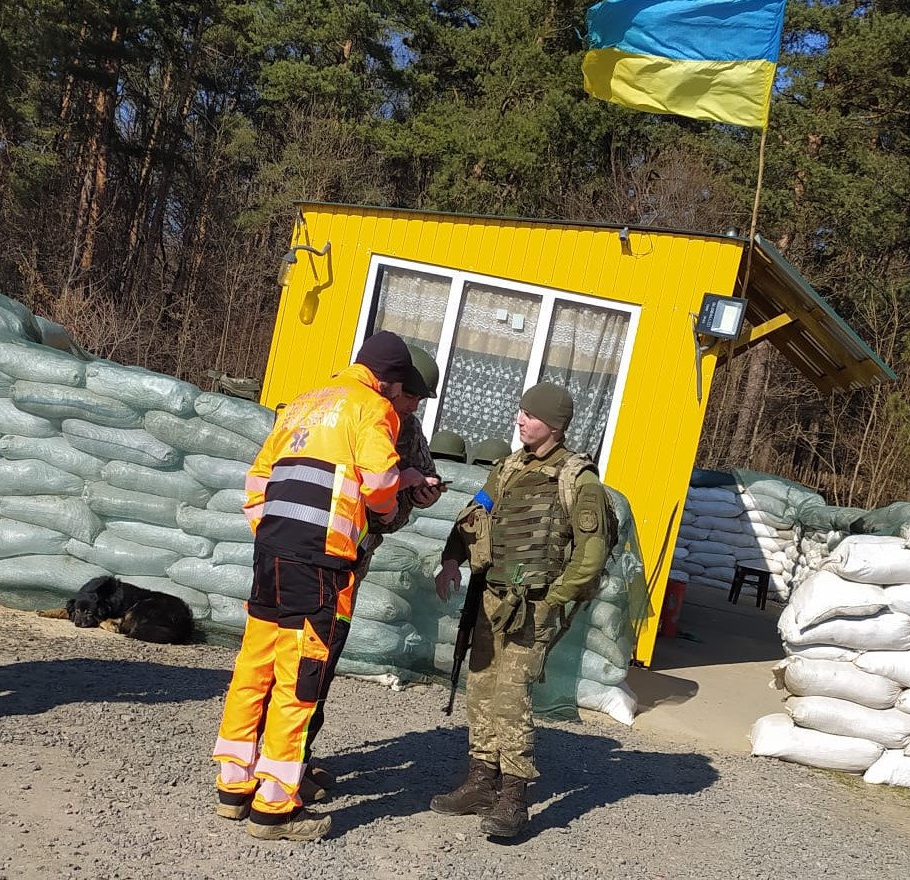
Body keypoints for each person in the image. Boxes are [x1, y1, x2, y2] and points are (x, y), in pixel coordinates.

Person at [211, 330, 432, 842]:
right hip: (321, 560)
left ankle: (234, 785)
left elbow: (256, 482)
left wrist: (274, 533)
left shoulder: (304, 403)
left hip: (272, 552)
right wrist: (386, 507)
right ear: (389, 380)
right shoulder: (373, 408)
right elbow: (379, 484)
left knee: (254, 666)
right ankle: (274, 808)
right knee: (301, 676)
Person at [429, 382, 610, 839]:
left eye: (530, 414)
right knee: (481, 689)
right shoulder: (508, 468)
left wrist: (553, 601)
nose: (520, 420)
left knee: (511, 698)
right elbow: (474, 514)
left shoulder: (578, 480)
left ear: (555, 424)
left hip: (534, 605)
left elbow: (590, 554)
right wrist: (451, 558)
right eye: (521, 411)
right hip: (491, 598)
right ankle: (480, 781)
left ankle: (513, 796)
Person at [300, 344, 445, 801]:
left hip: (350, 559)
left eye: (419, 400)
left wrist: (419, 494)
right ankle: (281, 766)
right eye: (410, 396)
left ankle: (296, 755)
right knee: (301, 659)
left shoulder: (407, 429)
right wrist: (392, 495)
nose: (413, 406)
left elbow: (418, 479)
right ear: (393, 384)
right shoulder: (360, 412)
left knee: (322, 660)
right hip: (317, 551)